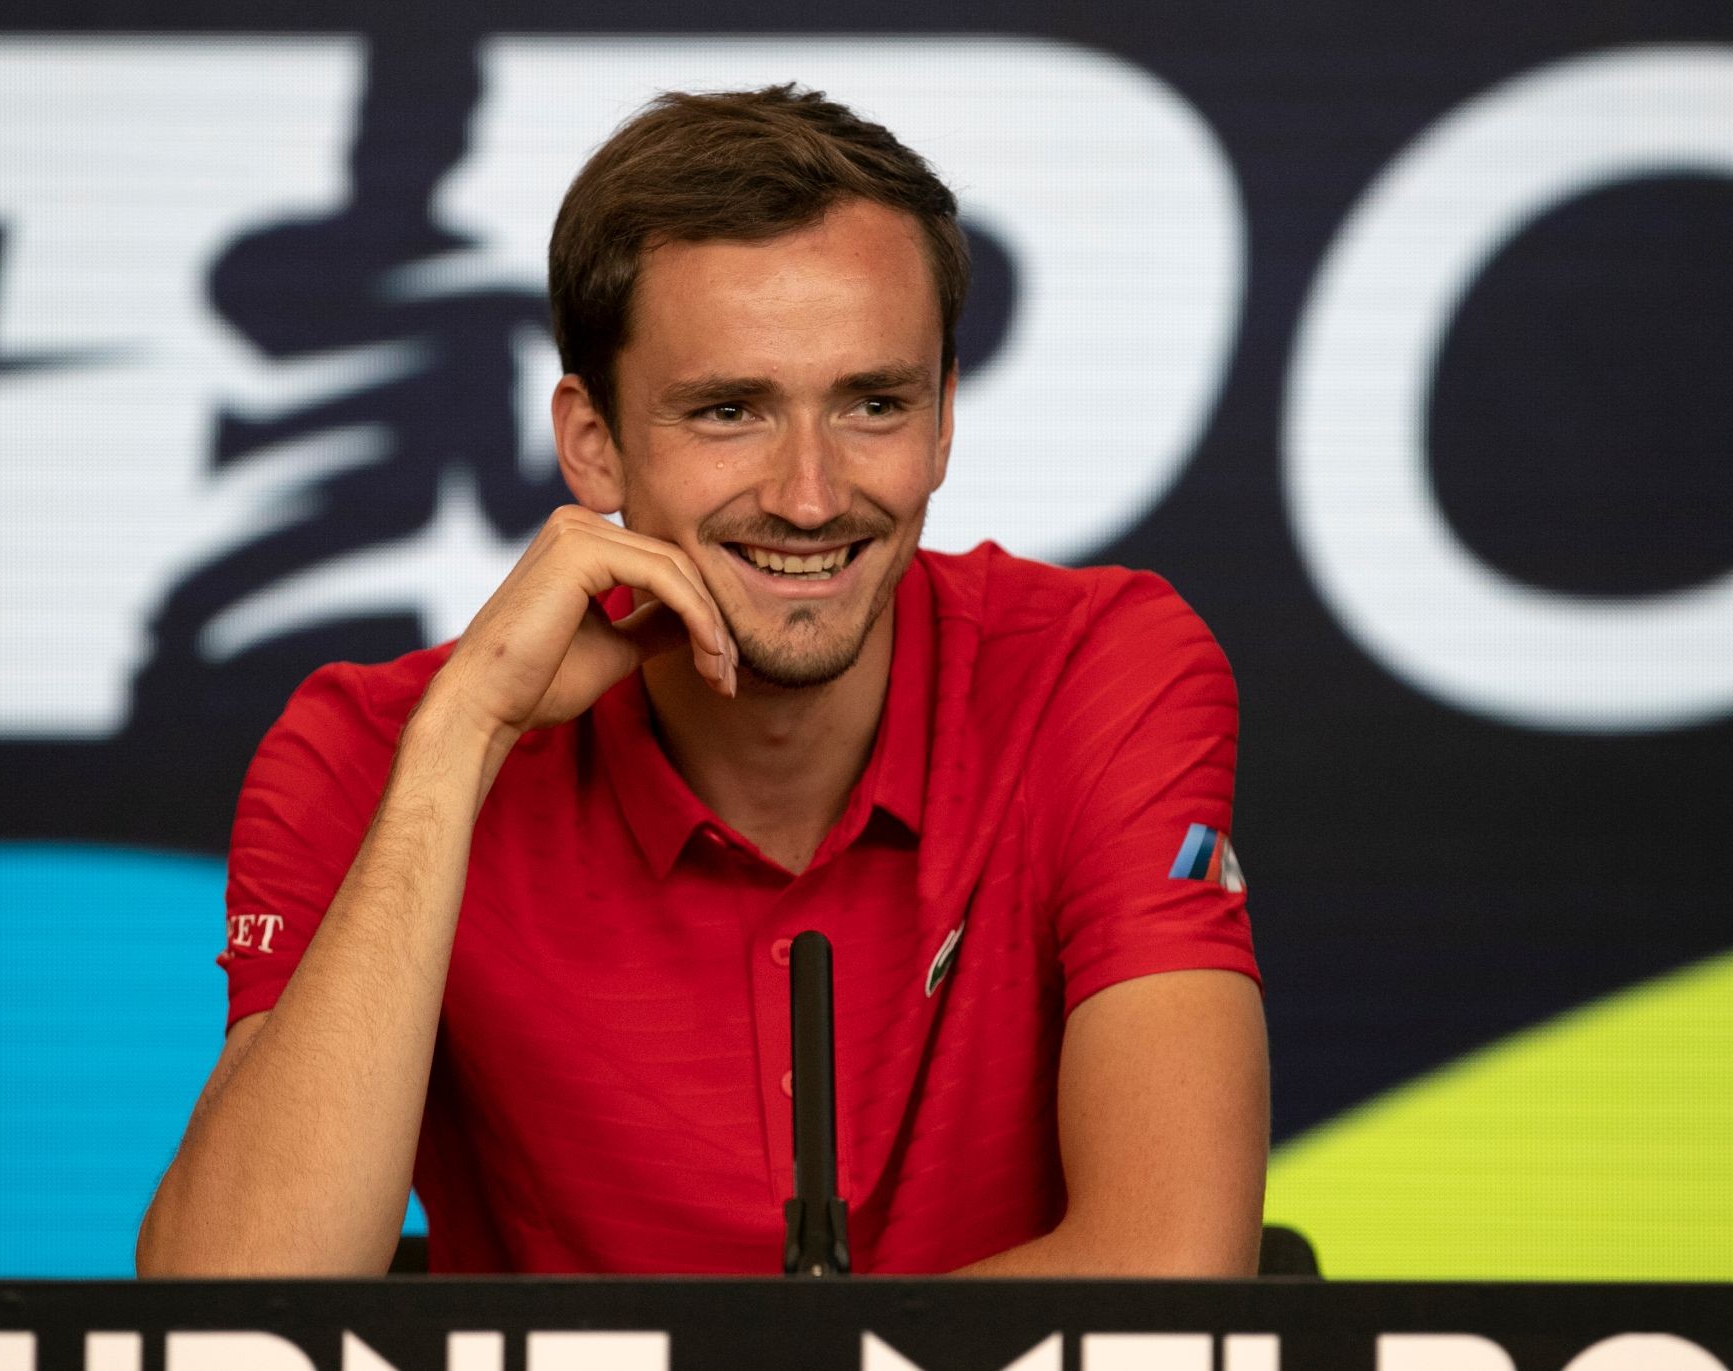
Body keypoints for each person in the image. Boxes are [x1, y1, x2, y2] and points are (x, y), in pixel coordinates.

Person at [136, 84, 1268, 1277]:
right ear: (592, 444)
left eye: (872, 404)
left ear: (942, 421)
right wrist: (461, 733)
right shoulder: (369, 749)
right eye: (729, 411)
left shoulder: (1098, 671)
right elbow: (230, 1322)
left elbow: (1172, 1272)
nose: (809, 496)